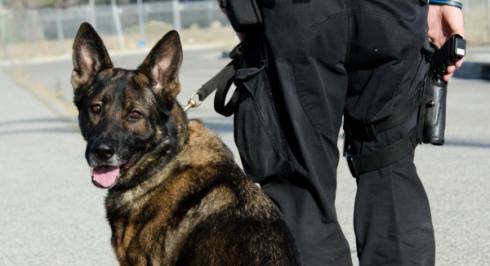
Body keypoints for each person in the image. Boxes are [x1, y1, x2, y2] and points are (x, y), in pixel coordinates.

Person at [218, 0, 464, 265]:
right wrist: (444, 2)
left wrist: (237, 8)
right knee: (391, 169)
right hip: (393, 11)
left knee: (301, 189)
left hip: (296, 14)